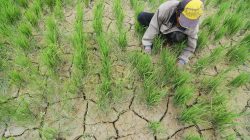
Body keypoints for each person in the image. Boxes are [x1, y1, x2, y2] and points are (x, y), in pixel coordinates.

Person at [137, 0, 204, 66]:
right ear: (178, 11)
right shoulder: (166, 8)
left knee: (177, 36)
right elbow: (154, 25)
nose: (186, 24)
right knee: (142, 16)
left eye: (189, 22)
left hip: (175, 33)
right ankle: (161, 34)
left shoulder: (193, 25)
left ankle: (168, 40)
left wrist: (182, 60)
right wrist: (147, 45)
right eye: (184, 20)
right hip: (163, 23)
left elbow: (191, 45)